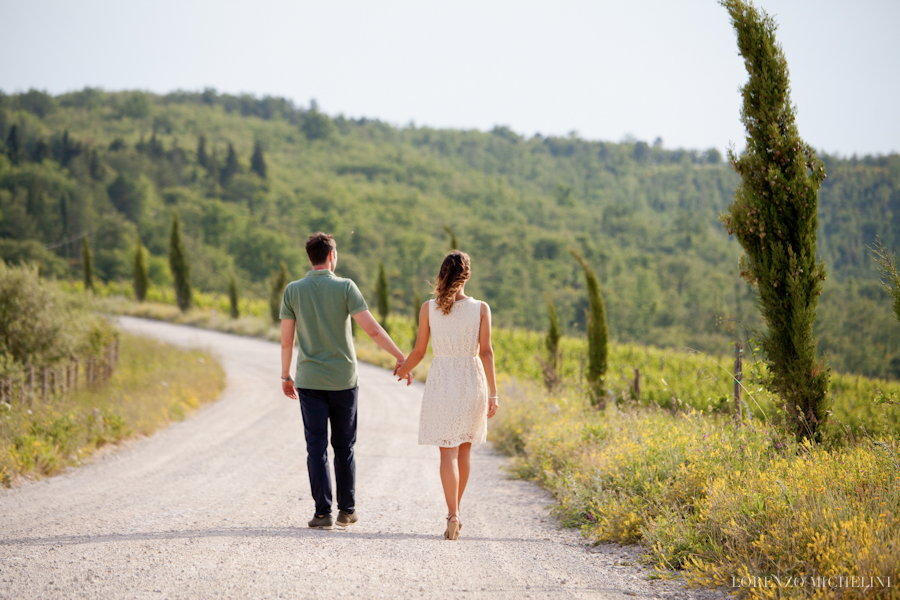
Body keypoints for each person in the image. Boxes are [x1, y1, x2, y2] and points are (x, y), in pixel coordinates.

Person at [280, 232, 411, 530]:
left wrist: (286, 375)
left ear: (310, 256)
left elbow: (287, 342)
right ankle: (346, 511)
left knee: (316, 446)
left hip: (309, 381)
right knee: (344, 446)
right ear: (331, 256)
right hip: (344, 381)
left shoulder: (293, 291)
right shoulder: (346, 287)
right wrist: (401, 357)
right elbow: (373, 330)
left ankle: (322, 513)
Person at [396, 250, 499, 540]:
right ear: (467, 275)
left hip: (442, 380)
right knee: (464, 449)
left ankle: (452, 512)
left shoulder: (429, 308)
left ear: (442, 273)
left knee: (447, 452)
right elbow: (487, 352)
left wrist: (403, 370)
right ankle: (456, 512)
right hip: (472, 379)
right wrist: (493, 393)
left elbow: (419, 352)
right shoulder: (481, 308)